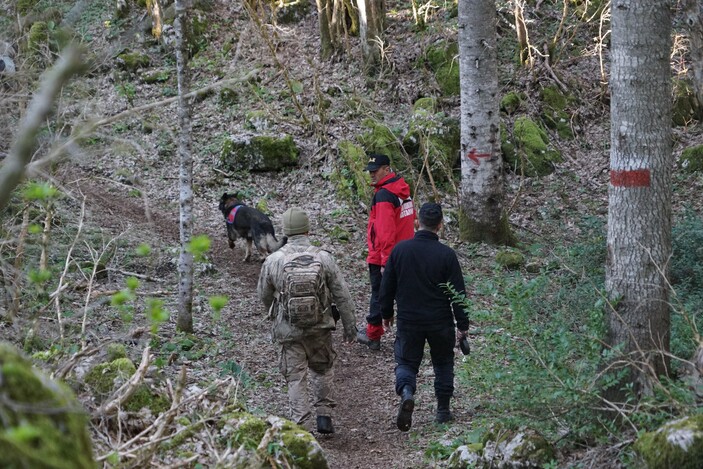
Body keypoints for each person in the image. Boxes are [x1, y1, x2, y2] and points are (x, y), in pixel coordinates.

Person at [257, 207, 358, 434]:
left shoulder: (273, 260)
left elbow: (263, 295)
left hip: (288, 329)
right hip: (320, 327)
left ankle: (302, 427)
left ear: (285, 231)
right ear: (307, 229)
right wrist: (350, 328)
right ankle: (324, 415)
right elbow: (342, 294)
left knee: (296, 377)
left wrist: (274, 316)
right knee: (323, 369)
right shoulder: (323, 257)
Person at [379, 202, 469, 431]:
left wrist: (386, 314)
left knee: (406, 362)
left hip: (409, 321)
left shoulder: (400, 251)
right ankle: (443, 411)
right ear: (440, 225)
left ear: (417, 222)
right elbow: (458, 294)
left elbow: (386, 286)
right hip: (440, 321)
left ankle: (407, 391)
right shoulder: (447, 255)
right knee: (443, 362)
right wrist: (463, 325)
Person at [357, 153, 416, 350]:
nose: (371, 174)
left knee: (380, 294)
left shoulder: (383, 195)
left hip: (385, 255)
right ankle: (409, 337)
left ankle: (373, 335)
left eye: (375, 171)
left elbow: (385, 232)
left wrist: (384, 262)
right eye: (370, 171)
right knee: (405, 296)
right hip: (406, 252)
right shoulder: (402, 190)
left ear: (386, 169)